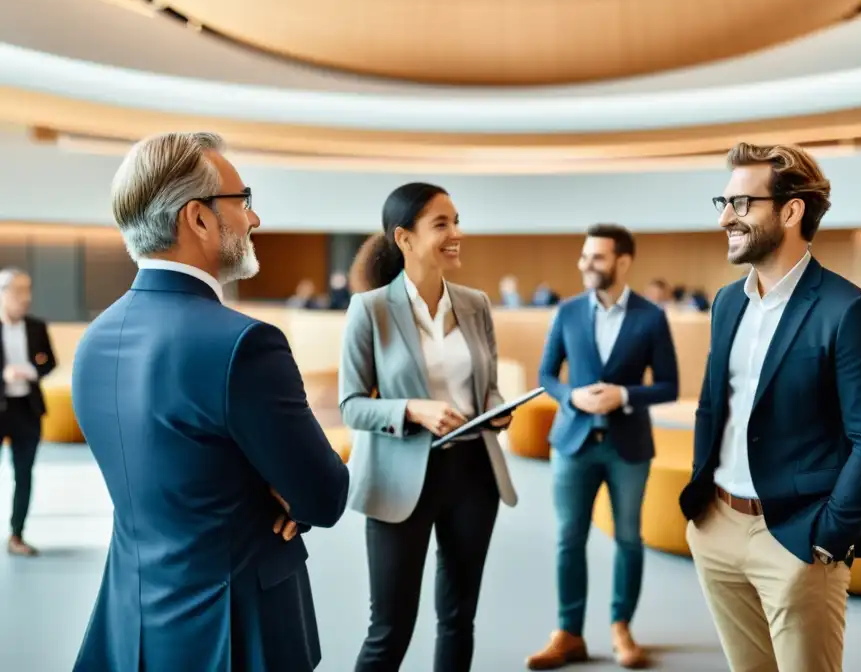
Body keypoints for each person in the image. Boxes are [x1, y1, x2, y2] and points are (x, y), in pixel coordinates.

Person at [72, 132, 350, 672]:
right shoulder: (244, 345)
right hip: (233, 630)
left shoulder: (94, 341)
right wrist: (285, 492)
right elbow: (324, 495)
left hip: (129, 624)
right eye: (242, 200)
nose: (254, 219)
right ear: (197, 218)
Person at [678, 142, 861, 672]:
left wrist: (826, 541)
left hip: (799, 540)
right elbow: (714, 406)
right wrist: (701, 510)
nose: (724, 219)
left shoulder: (850, 311)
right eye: (723, 202)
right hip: (718, 528)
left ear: (791, 210)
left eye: (740, 204)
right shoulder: (728, 301)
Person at [340, 182, 518, 672]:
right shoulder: (370, 310)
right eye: (442, 224)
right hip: (400, 480)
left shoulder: (476, 304)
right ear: (405, 238)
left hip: (474, 476)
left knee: (459, 619)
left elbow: (490, 387)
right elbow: (352, 406)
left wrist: (499, 408)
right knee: (390, 627)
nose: (456, 233)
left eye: (457, 221)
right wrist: (413, 410)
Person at [527, 224, 679, 670]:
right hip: (572, 443)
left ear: (622, 261)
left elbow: (670, 384)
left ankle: (621, 627)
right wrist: (569, 395)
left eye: (596, 257)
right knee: (568, 539)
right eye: (584, 256)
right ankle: (569, 632)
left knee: (629, 539)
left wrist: (626, 395)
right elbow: (546, 375)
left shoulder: (651, 316)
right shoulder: (568, 311)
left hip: (628, 446)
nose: (585, 264)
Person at [0, 267, 56, 557]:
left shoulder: (36, 326)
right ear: (3, 294)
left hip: (27, 410)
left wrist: (32, 370)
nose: (26, 298)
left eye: (28, 290)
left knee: (24, 474)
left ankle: (16, 535)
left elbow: (49, 362)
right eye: (19, 291)